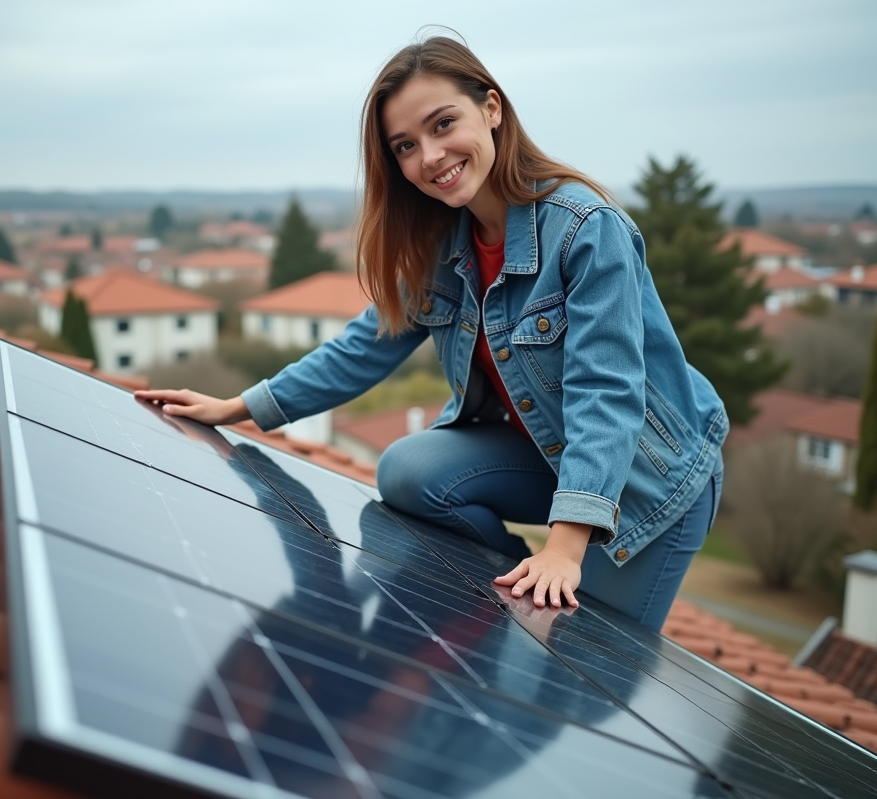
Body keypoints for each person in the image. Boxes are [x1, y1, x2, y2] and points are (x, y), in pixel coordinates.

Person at [137, 35, 726, 633]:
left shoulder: (586, 229)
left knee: (586, 665)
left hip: (646, 480)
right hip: (552, 453)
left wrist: (566, 549)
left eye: (444, 123)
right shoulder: (445, 245)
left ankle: (548, 600)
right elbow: (364, 345)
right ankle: (502, 604)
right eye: (406, 146)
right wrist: (239, 406)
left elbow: (607, 392)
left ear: (491, 109)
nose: (431, 156)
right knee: (409, 471)